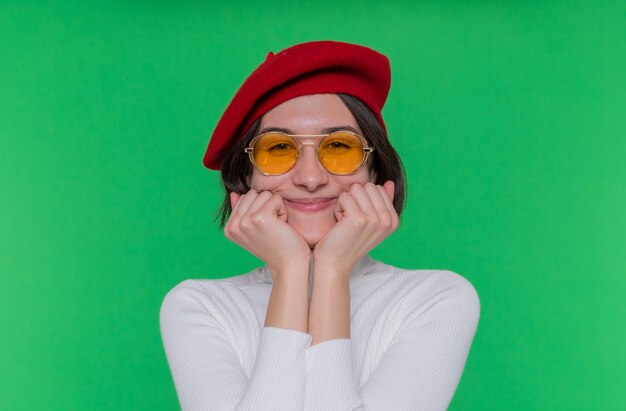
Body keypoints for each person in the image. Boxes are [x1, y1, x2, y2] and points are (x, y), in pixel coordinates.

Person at [160, 40, 480, 411]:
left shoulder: (437, 299)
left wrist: (331, 271)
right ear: (247, 177)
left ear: (376, 171)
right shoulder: (199, 306)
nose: (310, 178)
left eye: (339, 148)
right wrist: (291, 271)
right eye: (279, 148)